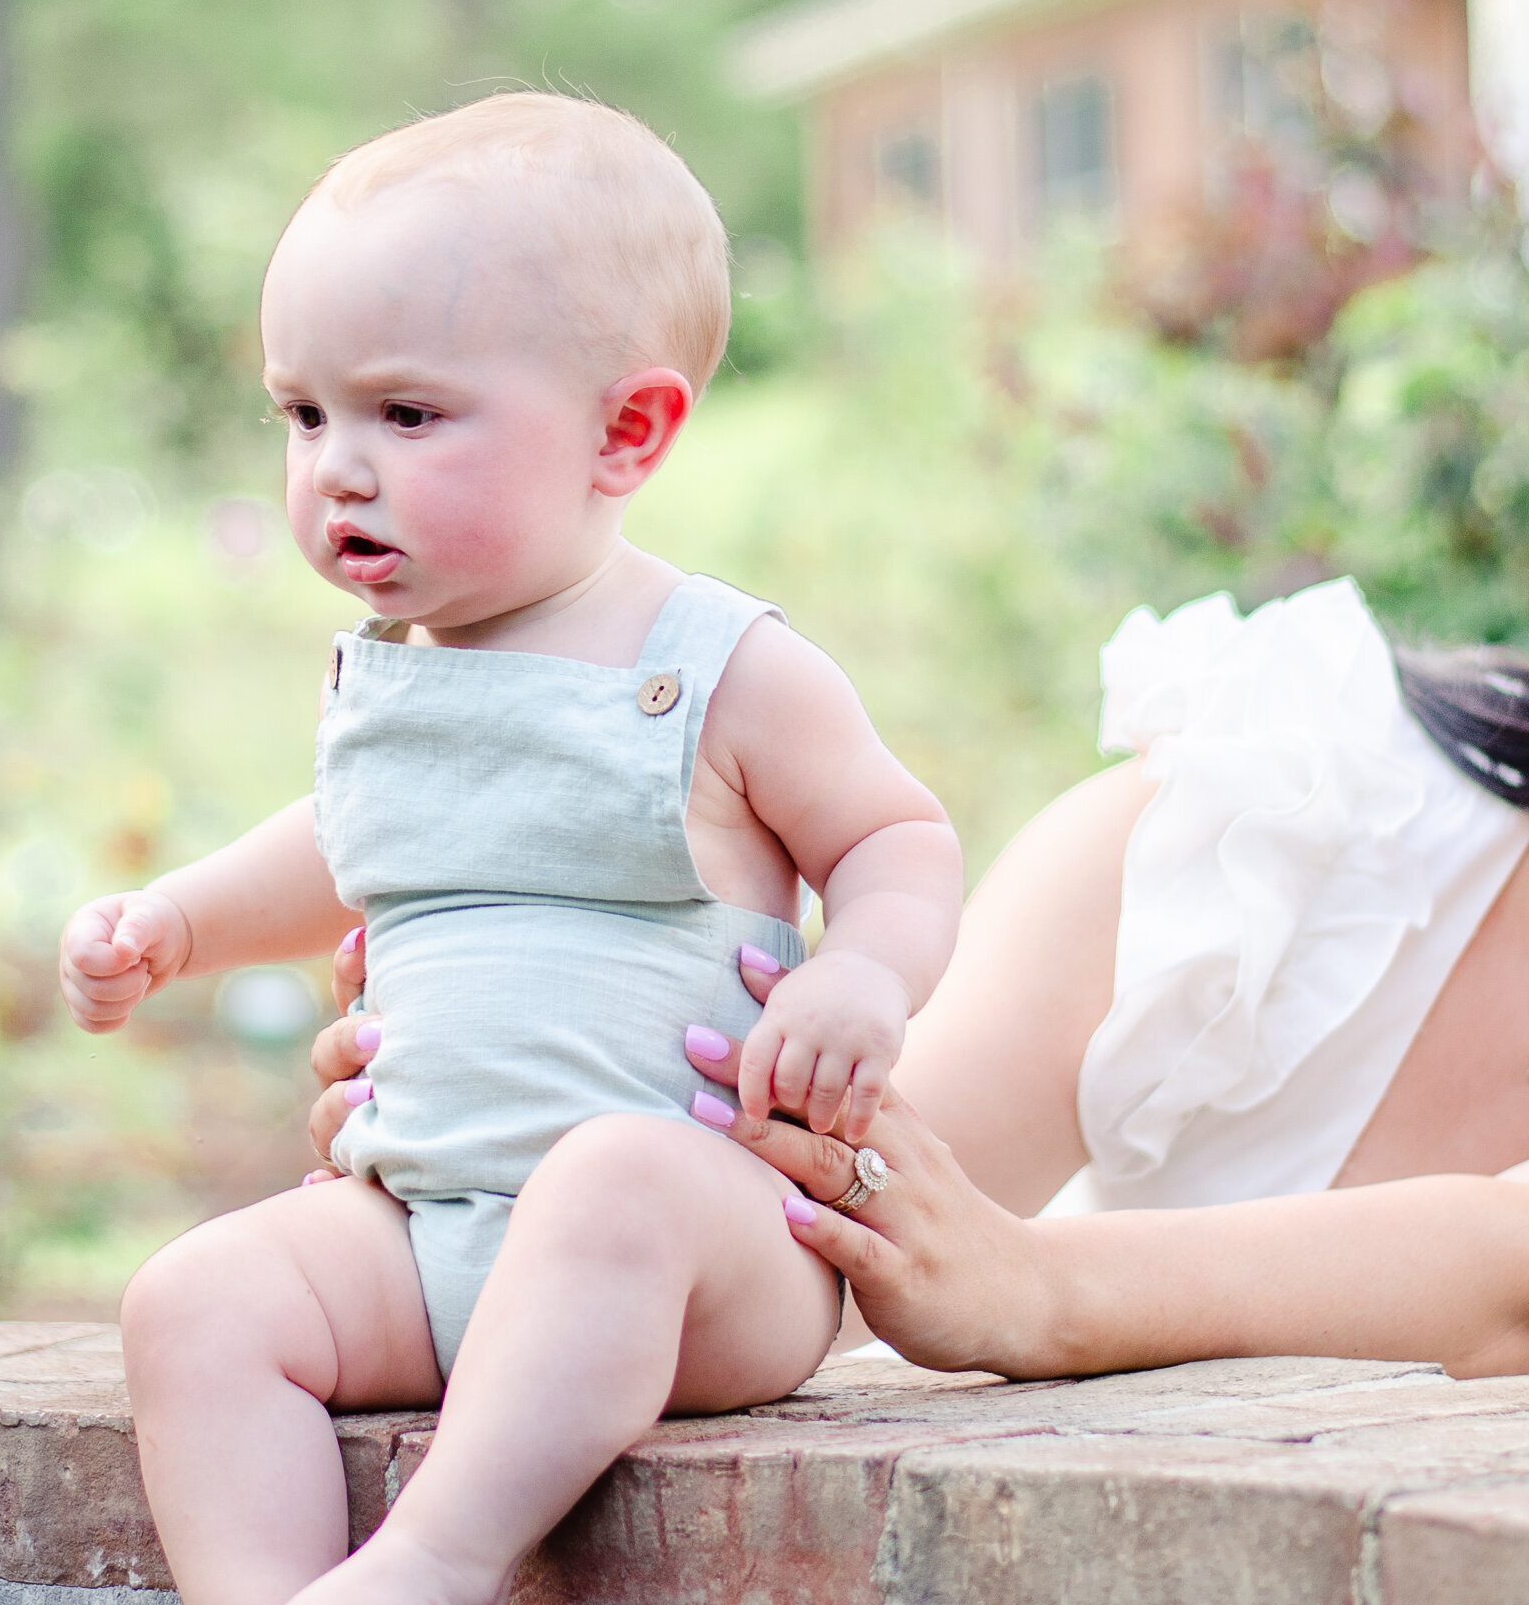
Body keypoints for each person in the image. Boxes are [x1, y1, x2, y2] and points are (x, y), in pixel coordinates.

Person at [58, 94, 963, 1605]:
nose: (338, 465)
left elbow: (899, 836)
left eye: (407, 411)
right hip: (428, 1234)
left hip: (701, 1253)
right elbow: (337, 854)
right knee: (197, 1297)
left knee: (614, 1179)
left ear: (625, 433)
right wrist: (173, 923)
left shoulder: (715, 666)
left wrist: (863, 973)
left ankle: (442, 1569)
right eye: (304, 411)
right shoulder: (386, 679)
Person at [308, 577, 1529, 1383]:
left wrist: (1040, 1288)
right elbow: (809, 1221)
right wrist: (490, 1119)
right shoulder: (1291, 809)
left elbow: (1501, 1281)